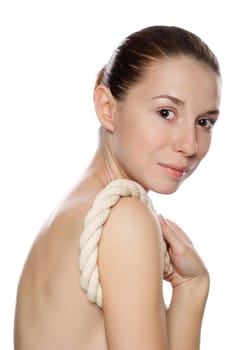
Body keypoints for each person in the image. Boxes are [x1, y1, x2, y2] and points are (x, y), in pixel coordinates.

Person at [14, 25, 221, 350]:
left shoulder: (77, 207)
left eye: (204, 122)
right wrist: (193, 291)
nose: (190, 144)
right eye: (166, 112)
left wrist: (192, 286)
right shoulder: (123, 218)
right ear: (107, 108)